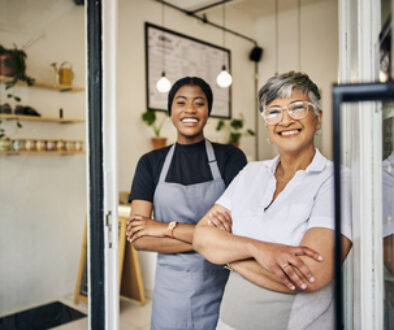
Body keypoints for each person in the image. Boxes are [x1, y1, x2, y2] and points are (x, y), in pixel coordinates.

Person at [193, 71, 353, 329]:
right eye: (274, 111)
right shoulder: (251, 173)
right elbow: (201, 237)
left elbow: (310, 275)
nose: (286, 120)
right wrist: (261, 250)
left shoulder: (337, 180)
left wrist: (229, 255)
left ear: (318, 118)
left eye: (298, 108)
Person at [126, 76, 247, 330]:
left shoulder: (231, 158)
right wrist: (211, 240)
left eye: (199, 103)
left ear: (208, 111)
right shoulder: (150, 163)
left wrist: (164, 228)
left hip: (222, 285)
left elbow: (238, 231)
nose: (190, 109)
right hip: (172, 294)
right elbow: (139, 238)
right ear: (171, 111)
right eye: (181, 102)